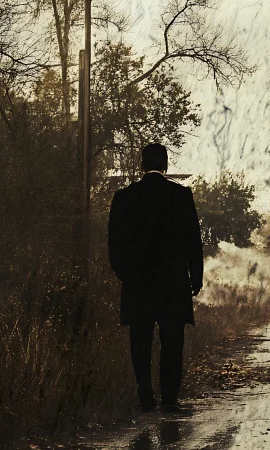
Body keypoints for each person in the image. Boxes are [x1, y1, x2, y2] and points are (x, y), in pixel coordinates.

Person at [108, 143, 203, 413]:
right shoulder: (181, 196)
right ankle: (170, 397)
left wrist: (125, 274)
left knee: (140, 340)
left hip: (138, 283)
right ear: (166, 165)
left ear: (141, 165)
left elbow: (114, 246)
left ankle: (145, 394)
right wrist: (195, 279)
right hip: (172, 284)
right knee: (172, 341)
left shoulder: (124, 198)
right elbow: (193, 242)